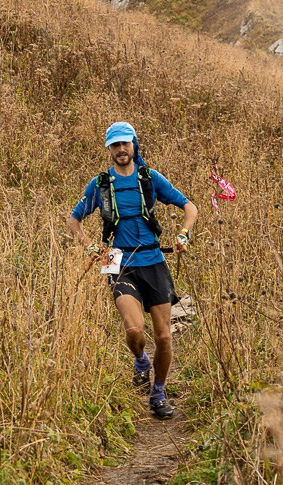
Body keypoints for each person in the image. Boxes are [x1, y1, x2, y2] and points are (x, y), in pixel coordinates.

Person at [67, 121, 197, 419]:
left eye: (125, 144)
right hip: (117, 263)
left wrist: (183, 234)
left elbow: (190, 206)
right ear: (109, 150)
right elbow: (73, 220)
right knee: (135, 330)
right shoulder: (100, 184)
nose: (121, 149)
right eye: (115, 145)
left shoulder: (150, 178)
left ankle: (159, 392)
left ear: (134, 145)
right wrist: (89, 246)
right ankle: (140, 360)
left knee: (164, 337)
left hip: (153, 261)